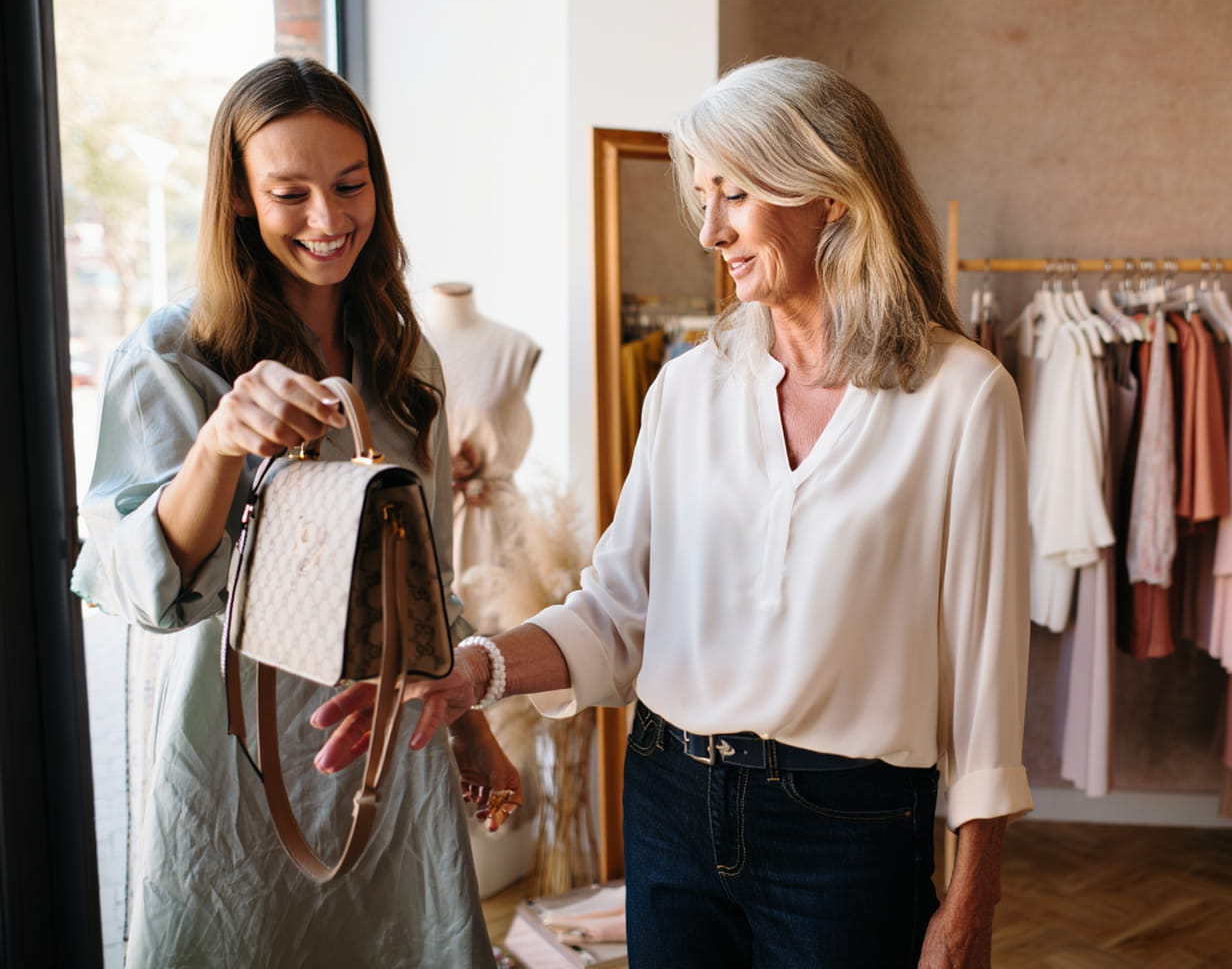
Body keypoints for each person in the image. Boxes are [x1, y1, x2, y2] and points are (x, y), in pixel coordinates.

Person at [317, 55, 1033, 969]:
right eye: (702, 197)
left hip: (848, 831)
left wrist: (974, 898)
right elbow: (619, 616)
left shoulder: (962, 396)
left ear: (830, 192)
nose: (709, 229)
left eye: (734, 193)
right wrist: (473, 672)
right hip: (668, 806)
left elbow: (985, 673)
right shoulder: (689, 388)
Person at [71, 57, 518, 968]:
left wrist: (471, 727)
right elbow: (144, 585)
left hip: (390, 749)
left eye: (350, 185)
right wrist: (220, 440)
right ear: (240, 196)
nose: (328, 218)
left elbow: (422, 576)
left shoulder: (403, 360)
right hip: (236, 759)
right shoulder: (174, 356)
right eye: (290, 194)